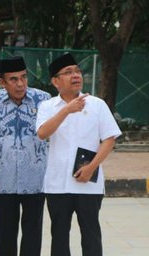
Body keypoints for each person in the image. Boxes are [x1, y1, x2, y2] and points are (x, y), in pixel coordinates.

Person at [36, 53, 121, 256]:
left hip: (88, 184)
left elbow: (109, 139)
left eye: (77, 71)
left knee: (91, 235)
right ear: (55, 81)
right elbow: (42, 133)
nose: (75, 75)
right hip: (58, 184)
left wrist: (91, 168)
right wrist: (66, 110)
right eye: (68, 72)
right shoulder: (47, 106)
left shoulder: (97, 105)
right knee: (59, 236)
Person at [0, 57, 50, 256]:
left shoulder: (44, 99)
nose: (20, 84)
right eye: (13, 79)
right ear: (2, 82)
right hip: (4, 179)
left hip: (36, 177)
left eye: (23, 77)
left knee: (33, 234)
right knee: (4, 235)